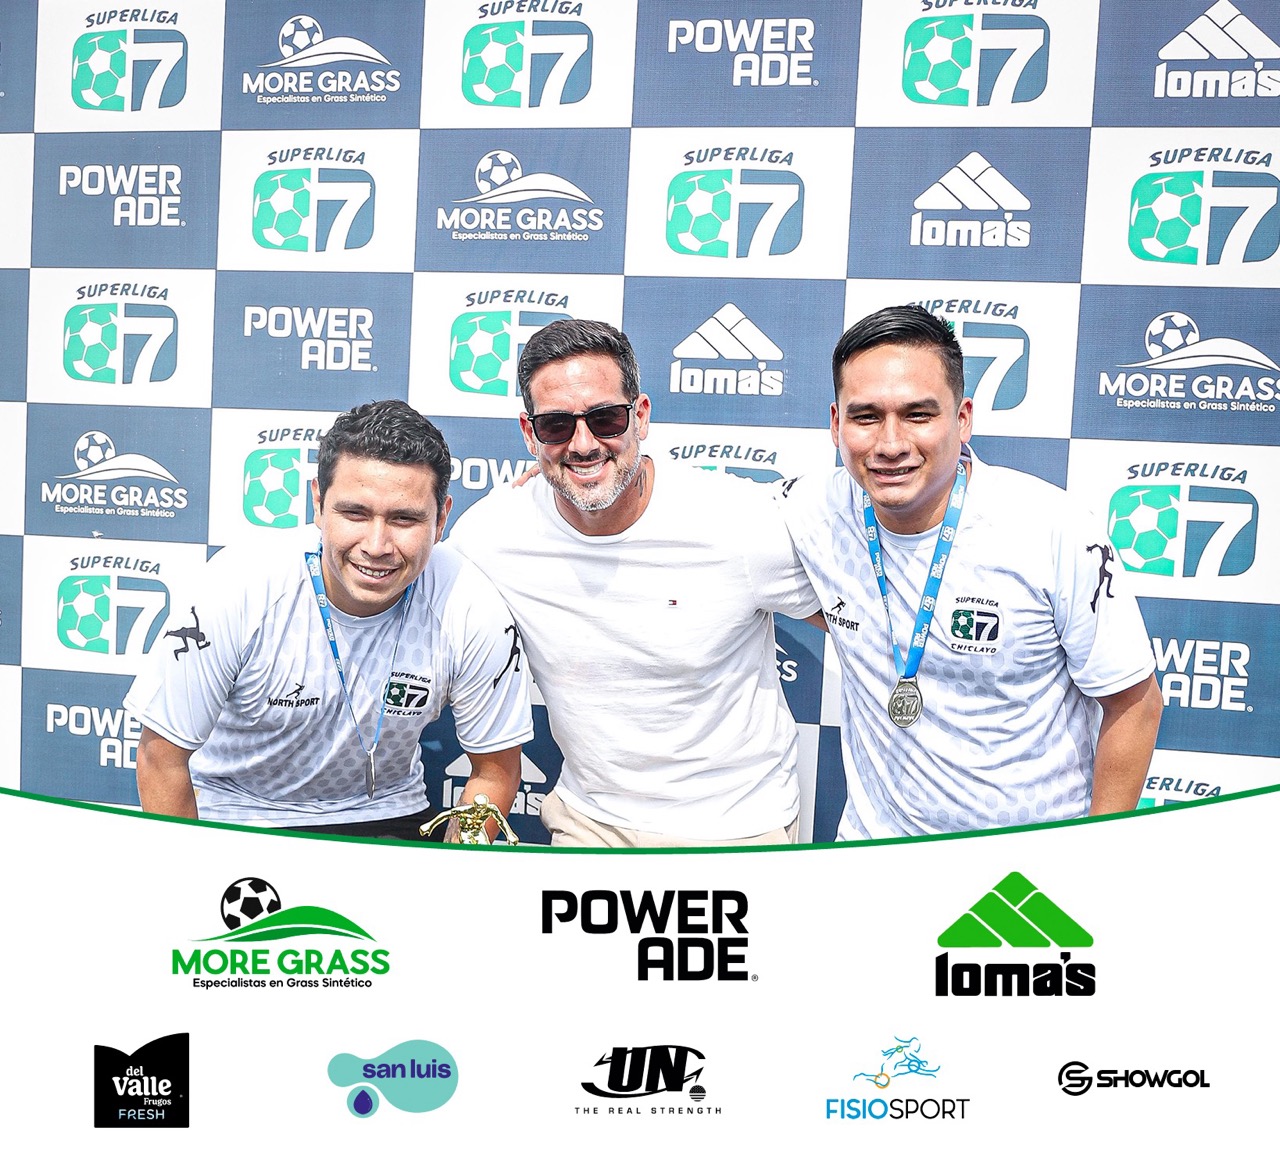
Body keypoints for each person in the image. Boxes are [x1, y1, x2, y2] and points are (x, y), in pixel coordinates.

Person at [780, 304, 1162, 838]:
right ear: (835, 423)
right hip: (871, 853)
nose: (891, 444)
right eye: (865, 417)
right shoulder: (809, 511)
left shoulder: (1050, 528)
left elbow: (1135, 705)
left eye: (918, 415)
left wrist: (1094, 855)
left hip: (1023, 864)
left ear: (963, 419)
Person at [447, 319, 821, 846]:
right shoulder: (491, 535)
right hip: (587, 823)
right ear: (530, 434)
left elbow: (861, 624)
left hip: (738, 827)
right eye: (556, 426)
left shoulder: (737, 522)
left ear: (640, 416)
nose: (583, 444)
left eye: (605, 419)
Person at [126, 400, 533, 839]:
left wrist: (456, 865)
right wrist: (193, 871)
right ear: (318, 505)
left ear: (441, 519)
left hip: (388, 813)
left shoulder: (468, 603)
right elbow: (160, 758)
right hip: (239, 814)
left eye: (404, 519)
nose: (376, 545)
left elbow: (494, 772)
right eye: (355, 514)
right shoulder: (237, 585)